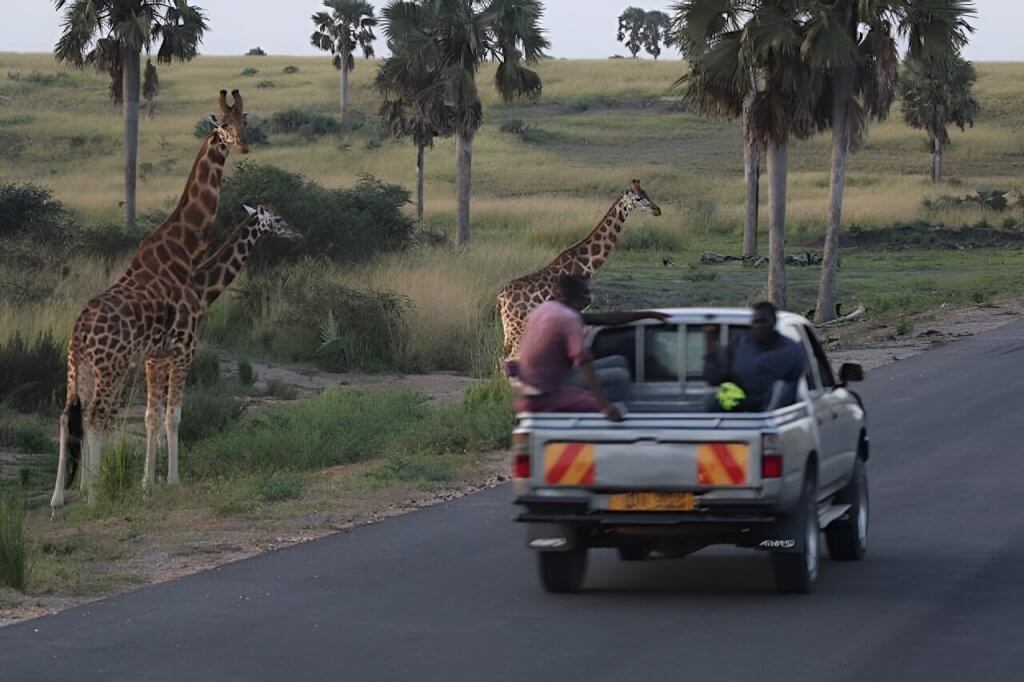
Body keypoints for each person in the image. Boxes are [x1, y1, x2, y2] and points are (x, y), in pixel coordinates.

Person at [509, 275, 631, 421]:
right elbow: (583, 362)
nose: (588, 299)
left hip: (537, 379)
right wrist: (603, 404)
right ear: (577, 296)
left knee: (619, 361)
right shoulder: (569, 318)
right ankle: (610, 418)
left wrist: (649, 314)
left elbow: (603, 318)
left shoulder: (544, 309)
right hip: (550, 387)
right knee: (619, 376)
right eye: (585, 294)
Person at [703, 301, 806, 412]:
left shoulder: (789, 350)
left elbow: (796, 386)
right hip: (740, 405)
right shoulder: (739, 344)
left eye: (763, 322)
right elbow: (714, 377)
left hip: (777, 410)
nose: (759, 326)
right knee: (712, 399)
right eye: (756, 322)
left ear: (773, 322)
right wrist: (710, 340)